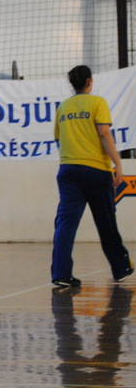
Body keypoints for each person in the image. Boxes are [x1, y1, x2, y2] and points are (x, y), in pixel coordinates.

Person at [51, 64, 133, 289]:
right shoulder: (98, 103)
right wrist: (118, 163)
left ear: (72, 83)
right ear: (89, 81)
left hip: (68, 171)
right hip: (96, 170)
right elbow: (104, 133)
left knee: (65, 224)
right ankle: (120, 268)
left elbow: (58, 138)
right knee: (106, 221)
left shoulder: (63, 107)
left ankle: (61, 273)